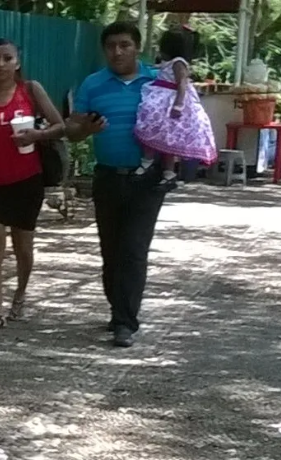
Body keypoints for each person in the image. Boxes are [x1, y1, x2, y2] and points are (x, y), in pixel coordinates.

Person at [67, 21, 166, 348]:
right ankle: (117, 309)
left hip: (146, 179)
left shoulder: (156, 81)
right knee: (111, 251)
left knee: (134, 251)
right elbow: (74, 129)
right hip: (108, 177)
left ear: (138, 47)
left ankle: (126, 321)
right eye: (111, 46)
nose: (117, 51)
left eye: (125, 45)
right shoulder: (93, 85)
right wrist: (87, 130)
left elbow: (177, 121)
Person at [0, 37, 66, 332]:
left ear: (17, 62)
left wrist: (35, 136)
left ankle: (19, 295)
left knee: (23, 247)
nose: (0, 64)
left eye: (7, 58)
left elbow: (60, 126)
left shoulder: (30, 90)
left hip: (27, 181)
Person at [134, 28, 218, 189]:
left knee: (159, 131)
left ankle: (155, 165)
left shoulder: (179, 63)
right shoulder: (170, 62)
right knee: (164, 136)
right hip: (161, 96)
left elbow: (182, 83)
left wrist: (178, 104)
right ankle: (164, 171)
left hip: (168, 100)